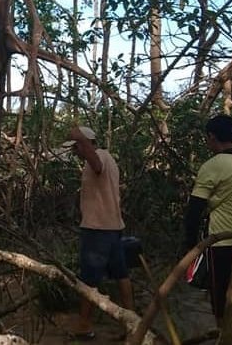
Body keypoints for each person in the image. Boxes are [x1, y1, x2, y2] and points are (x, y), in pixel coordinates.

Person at [67, 126, 135, 340]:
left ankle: (84, 324)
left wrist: (79, 138)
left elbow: (96, 164)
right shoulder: (104, 158)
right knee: (121, 274)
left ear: (84, 144)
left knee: (88, 280)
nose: (74, 152)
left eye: (75, 147)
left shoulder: (99, 157)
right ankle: (131, 322)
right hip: (112, 227)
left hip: (98, 230)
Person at [183, 114, 232, 323]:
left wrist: (191, 247)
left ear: (212, 137)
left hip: (221, 244)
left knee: (221, 298)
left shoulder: (213, 165)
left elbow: (194, 211)